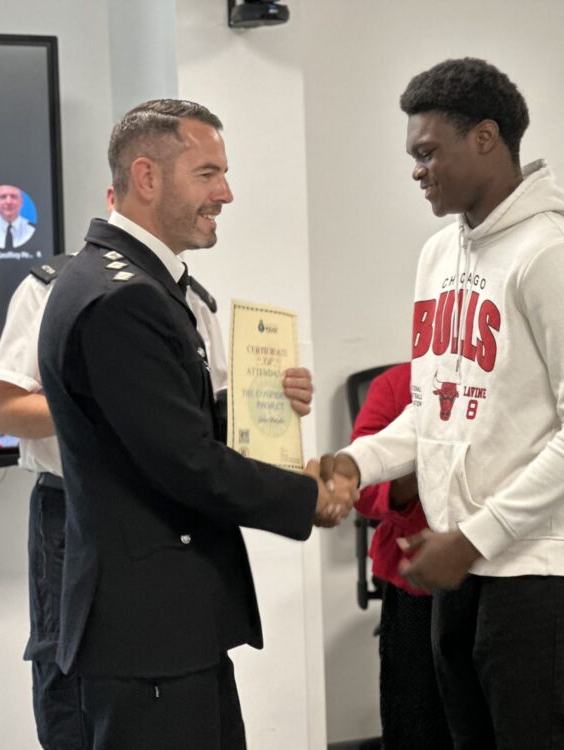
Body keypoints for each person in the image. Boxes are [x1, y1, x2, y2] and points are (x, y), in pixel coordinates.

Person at [323, 58, 564, 749]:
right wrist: (356, 462)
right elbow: (434, 407)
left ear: (485, 138)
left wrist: (476, 537)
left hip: (539, 565)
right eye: (413, 156)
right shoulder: (438, 254)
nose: (417, 170)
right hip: (460, 556)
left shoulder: (554, 256)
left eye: (428, 152)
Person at [37, 99, 353, 748]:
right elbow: (185, 461)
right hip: (149, 637)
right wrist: (307, 497)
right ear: (148, 178)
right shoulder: (123, 296)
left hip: (166, 631)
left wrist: (264, 414)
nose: (226, 193)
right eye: (208, 174)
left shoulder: (133, 282)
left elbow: (170, 425)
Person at [0, 188, 317, 749]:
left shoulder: (195, 303)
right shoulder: (53, 288)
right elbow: (2, 409)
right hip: (74, 509)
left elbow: (197, 425)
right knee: (75, 694)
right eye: (205, 175)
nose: (223, 193)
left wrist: (273, 402)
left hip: (171, 516)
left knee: (186, 690)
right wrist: (107, 411)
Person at [350, 362, 453, 749]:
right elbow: (361, 487)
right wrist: (429, 466)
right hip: (416, 583)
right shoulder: (394, 386)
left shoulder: (502, 385)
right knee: (416, 723)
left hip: (494, 576)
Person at [0, 184, 36, 248]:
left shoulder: (32, 230)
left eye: (13, 196)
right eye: (3, 197)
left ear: (21, 201)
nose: (8, 202)